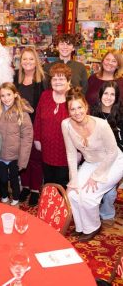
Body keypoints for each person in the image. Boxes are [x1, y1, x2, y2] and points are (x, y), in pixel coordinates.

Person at [61, 87, 123, 242]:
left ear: (86, 107)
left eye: (79, 107)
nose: (77, 112)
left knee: (89, 196)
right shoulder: (66, 124)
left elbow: (112, 152)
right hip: (91, 162)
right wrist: (73, 179)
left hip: (114, 162)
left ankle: (93, 227)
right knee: (73, 193)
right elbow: (71, 153)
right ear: (68, 111)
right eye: (72, 109)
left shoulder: (101, 124)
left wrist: (96, 176)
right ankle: (81, 227)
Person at [0, 82, 33, 206]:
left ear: (15, 94)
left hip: (15, 157)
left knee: (14, 180)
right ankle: (4, 198)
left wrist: (22, 160)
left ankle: (15, 200)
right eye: (3, 96)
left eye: (9, 94)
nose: (6, 98)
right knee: (3, 179)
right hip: (0, 155)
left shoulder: (23, 113)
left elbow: (27, 138)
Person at [15, 47, 45, 206]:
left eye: (31, 59)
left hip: (35, 125)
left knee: (34, 159)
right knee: (21, 157)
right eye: (24, 59)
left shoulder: (43, 81)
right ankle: (25, 186)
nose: (27, 62)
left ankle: (35, 189)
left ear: (36, 61)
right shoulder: (16, 78)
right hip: (18, 125)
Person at [34, 63, 71, 188]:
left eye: (61, 78)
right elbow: (38, 119)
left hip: (66, 151)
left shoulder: (74, 98)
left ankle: (61, 207)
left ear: (68, 80)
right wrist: (37, 139)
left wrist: (79, 151)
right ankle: (49, 205)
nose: (57, 81)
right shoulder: (45, 96)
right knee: (48, 182)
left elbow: (82, 126)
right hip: (47, 149)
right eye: (54, 79)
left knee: (62, 184)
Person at [91, 81, 123, 226]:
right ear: (100, 95)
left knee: (109, 191)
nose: (109, 97)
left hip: (117, 157)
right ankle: (94, 210)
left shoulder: (121, 114)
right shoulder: (93, 112)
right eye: (106, 93)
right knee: (93, 185)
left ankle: (107, 212)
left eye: (112, 94)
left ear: (116, 97)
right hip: (96, 155)